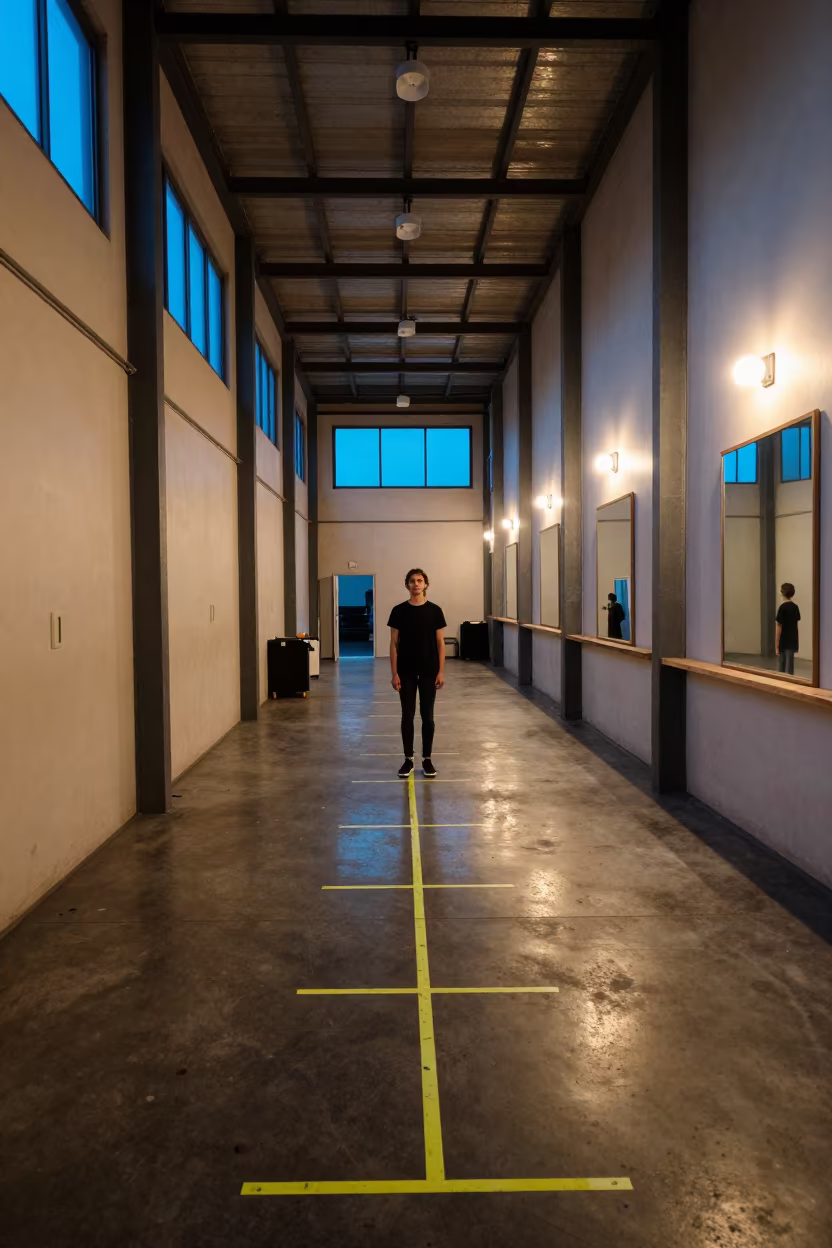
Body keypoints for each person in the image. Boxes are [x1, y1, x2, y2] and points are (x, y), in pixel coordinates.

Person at [388, 569, 446, 779]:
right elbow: (394, 644)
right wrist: (395, 673)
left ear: (425, 584)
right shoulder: (398, 611)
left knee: (427, 717)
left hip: (429, 671)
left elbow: (440, 643)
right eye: (412, 581)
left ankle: (427, 759)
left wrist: (441, 671)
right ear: (407, 585)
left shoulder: (435, 611)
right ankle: (408, 760)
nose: (416, 584)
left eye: (420, 581)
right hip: (406, 671)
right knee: (407, 716)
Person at [775, 582, 800, 675]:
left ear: (782, 592)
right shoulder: (795, 607)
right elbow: (795, 623)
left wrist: (776, 644)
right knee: (790, 667)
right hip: (792, 640)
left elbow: (779, 627)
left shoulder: (782, 608)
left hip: (783, 640)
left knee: (781, 665)